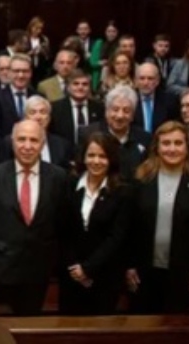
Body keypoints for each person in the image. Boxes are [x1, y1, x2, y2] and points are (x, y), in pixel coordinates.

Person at [0, 119, 68, 315]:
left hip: (38, 271)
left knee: (29, 329)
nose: (27, 146)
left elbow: (62, 224)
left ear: (43, 144)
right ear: (12, 142)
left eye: (34, 140)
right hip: (0, 270)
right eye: (21, 139)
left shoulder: (59, 177)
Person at [59, 132, 130, 315]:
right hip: (71, 276)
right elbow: (63, 231)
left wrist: (88, 269)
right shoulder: (69, 184)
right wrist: (76, 269)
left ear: (111, 159)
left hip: (105, 277)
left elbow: (116, 238)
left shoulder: (122, 191)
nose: (96, 161)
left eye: (102, 156)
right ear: (83, 157)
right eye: (91, 155)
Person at [126, 121, 189, 313]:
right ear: (157, 147)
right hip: (144, 272)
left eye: (178, 143)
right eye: (166, 143)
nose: (172, 149)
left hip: (184, 274)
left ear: (187, 147)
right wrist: (129, 265)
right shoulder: (141, 180)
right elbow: (129, 228)